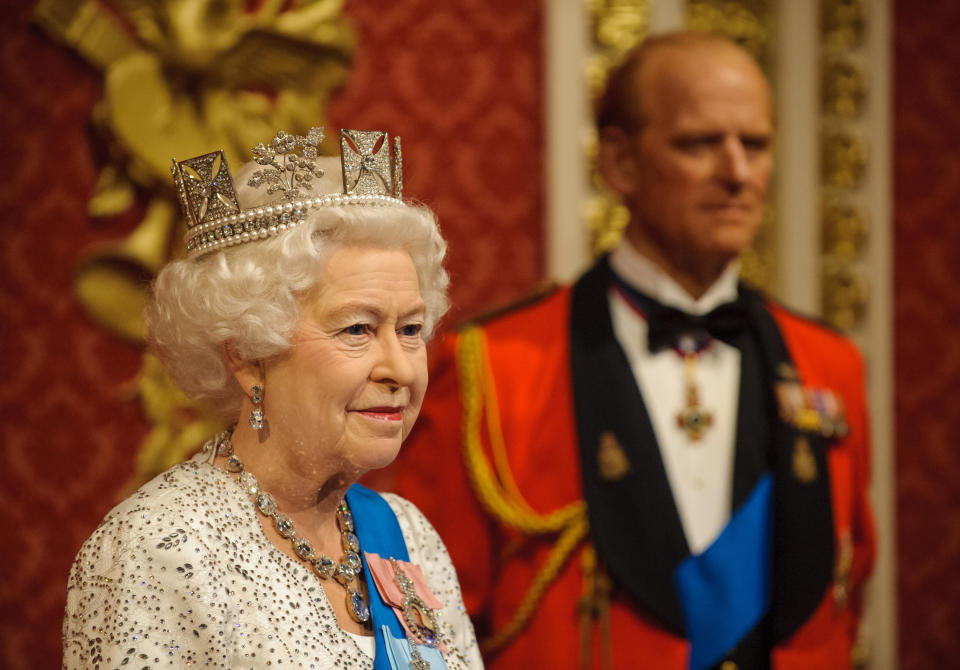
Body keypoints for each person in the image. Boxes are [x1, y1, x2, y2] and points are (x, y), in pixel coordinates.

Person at [370, 32, 876, 669]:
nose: (737, 173)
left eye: (755, 144)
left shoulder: (830, 365)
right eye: (699, 143)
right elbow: (426, 625)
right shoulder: (495, 368)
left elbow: (845, 599)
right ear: (619, 164)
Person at [62, 126, 484, 670]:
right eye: (357, 329)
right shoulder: (161, 548)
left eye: (410, 329)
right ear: (248, 356)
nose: (400, 368)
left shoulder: (405, 534)